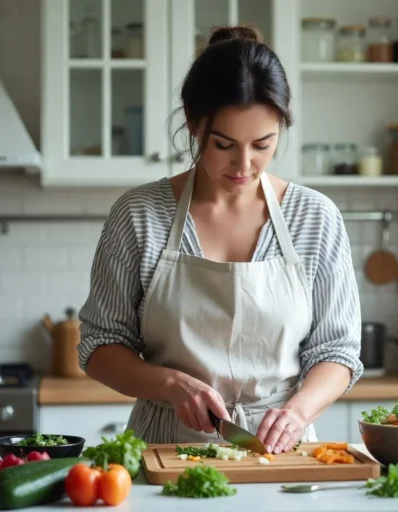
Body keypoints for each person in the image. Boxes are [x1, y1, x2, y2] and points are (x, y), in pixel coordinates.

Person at [77, 25, 362, 455]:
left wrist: (299, 412)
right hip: (164, 448)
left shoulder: (315, 217)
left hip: (281, 452)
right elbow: (99, 346)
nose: (244, 165)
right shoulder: (139, 215)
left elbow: (338, 351)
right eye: (223, 144)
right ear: (192, 122)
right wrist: (169, 384)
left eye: (263, 144)